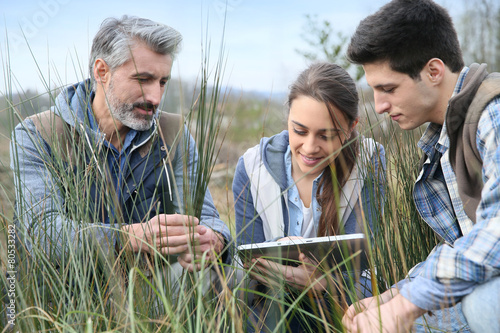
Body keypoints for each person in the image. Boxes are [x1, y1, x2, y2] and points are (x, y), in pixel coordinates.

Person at [10, 16, 231, 297]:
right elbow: (42, 234)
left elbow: (205, 216)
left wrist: (215, 239)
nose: (155, 97)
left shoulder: (173, 133)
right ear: (102, 71)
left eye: (163, 82)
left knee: (235, 278)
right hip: (61, 299)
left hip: (146, 295)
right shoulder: (37, 134)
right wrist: (130, 237)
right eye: (143, 79)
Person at [343, 0, 500, 332]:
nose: (380, 106)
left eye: (388, 89)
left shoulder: (493, 115)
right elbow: (468, 245)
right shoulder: (445, 140)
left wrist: (404, 308)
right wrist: (393, 295)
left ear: (433, 71)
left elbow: (496, 234)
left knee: (486, 305)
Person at [232, 62, 386, 332]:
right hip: (270, 305)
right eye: (299, 131)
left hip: (343, 307)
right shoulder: (250, 167)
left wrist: (324, 284)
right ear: (288, 118)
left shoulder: (370, 163)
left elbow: (365, 270)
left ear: (351, 127)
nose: (310, 147)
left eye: (326, 135)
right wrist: (281, 260)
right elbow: (245, 270)